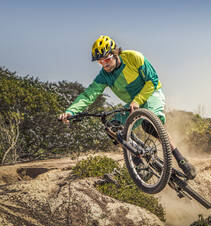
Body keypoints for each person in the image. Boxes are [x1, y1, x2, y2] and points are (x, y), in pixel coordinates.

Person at [59, 35, 196, 180]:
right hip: (133, 103)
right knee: (113, 126)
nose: (104, 65)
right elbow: (88, 95)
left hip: (151, 94)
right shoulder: (104, 76)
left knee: (150, 126)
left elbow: (153, 80)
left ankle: (181, 160)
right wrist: (70, 111)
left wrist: (138, 100)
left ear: (115, 53)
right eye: (100, 62)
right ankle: (138, 162)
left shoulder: (134, 57)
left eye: (106, 59)